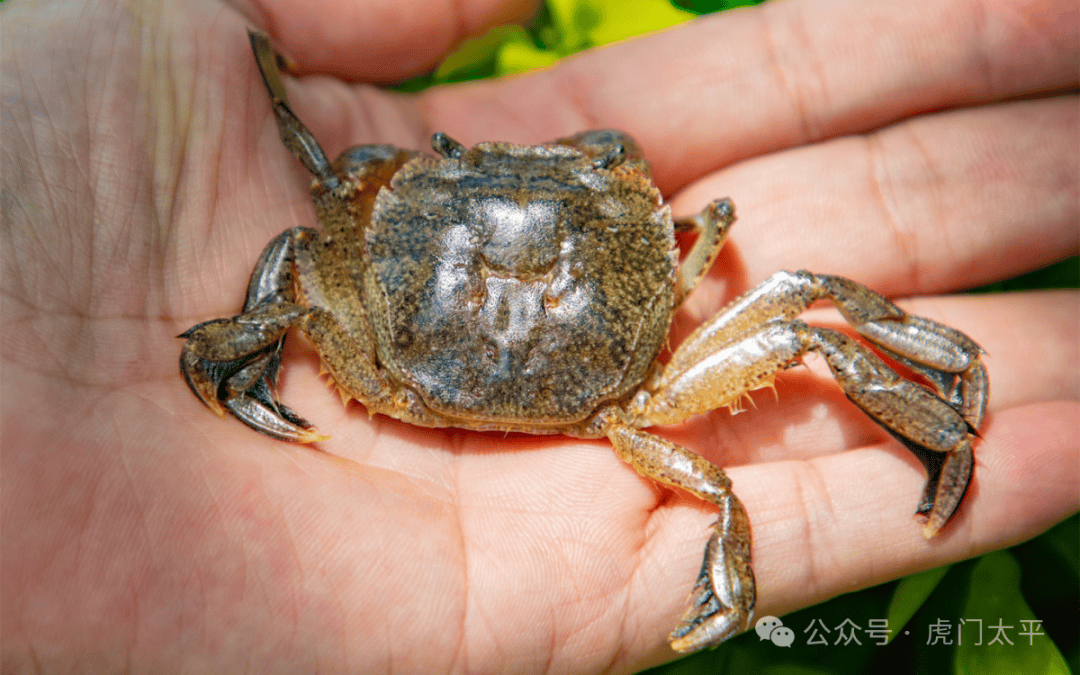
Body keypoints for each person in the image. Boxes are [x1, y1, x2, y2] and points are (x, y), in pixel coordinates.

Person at [2, 0, 1076, 672]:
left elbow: (307, 246)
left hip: (407, 383)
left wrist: (231, 354)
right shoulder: (654, 278)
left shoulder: (376, 280)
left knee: (300, 260)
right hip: (625, 411)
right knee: (809, 317)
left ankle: (936, 418)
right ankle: (931, 422)